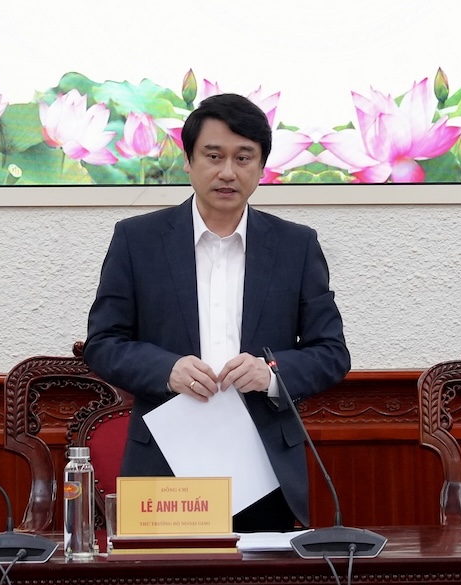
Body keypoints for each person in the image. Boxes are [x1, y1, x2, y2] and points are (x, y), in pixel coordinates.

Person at [83, 93, 351, 532]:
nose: (228, 171)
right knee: (164, 575)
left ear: (261, 168)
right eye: (213, 156)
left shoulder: (296, 246)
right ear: (188, 161)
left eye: (243, 158)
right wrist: (167, 369)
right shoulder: (138, 240)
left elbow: (332, 353)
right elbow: (103, 343)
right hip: (165, 463)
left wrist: (271, 373)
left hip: (263, 466)